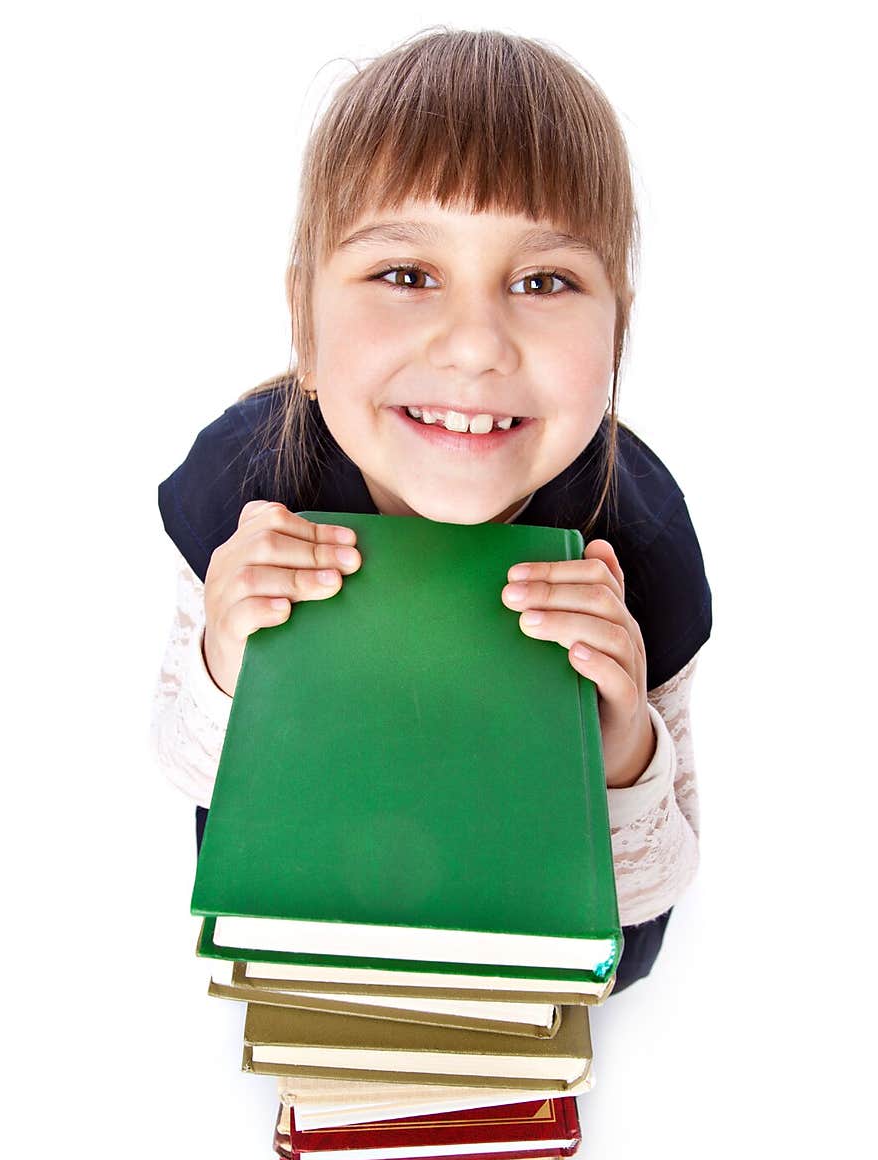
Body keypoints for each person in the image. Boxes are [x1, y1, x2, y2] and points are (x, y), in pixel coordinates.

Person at [153, 27, 712, 994]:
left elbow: (663, 878)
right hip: (311, 930)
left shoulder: (643, 537)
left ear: (618, 324)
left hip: (539, 977)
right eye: (407, 275)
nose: (474, 347)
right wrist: (224, 661)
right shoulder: (246, 483)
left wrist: (622, 747)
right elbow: (181, 760)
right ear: (306, 323)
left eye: (543, 281)